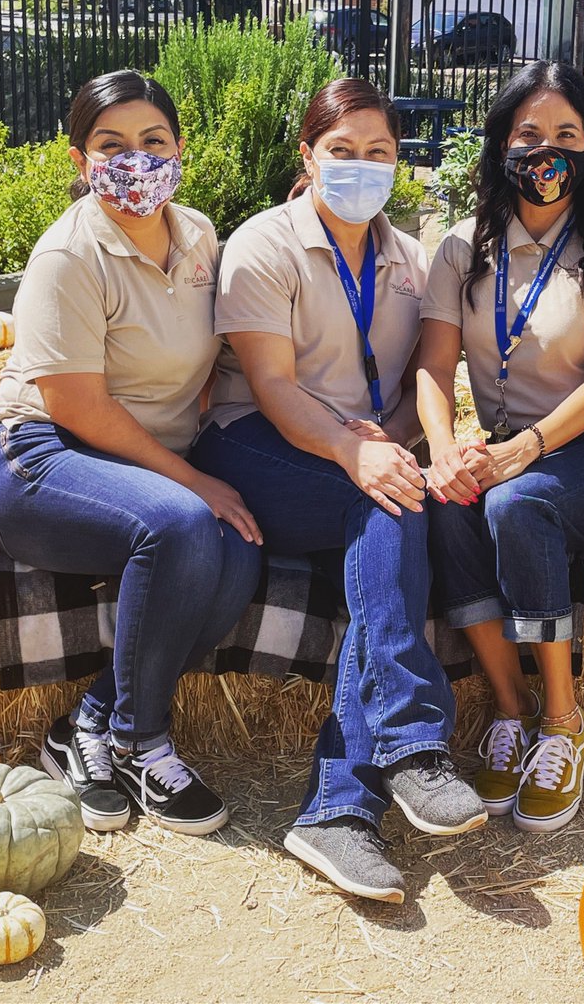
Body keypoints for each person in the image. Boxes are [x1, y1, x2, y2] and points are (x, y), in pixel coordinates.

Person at [192, 78, 485, 905]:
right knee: (384, 499)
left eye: (380, 153)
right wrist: (358, 455)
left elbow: (432, 371)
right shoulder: (265, 245)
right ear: (308, 157)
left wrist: (429, 448)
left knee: (390, 522)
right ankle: (412, 741)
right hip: (264, 442)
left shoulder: (409, 260)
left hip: (367, 453)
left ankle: (338, 812)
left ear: (401, 163)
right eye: (342, 151)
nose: (362, 166)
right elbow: (276, 390)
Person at [0, 70, 263, 836]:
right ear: (80, 160)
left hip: (141, 463)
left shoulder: (199, 237)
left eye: (152, 142)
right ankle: (139, 741)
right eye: (112, 145)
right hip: (40, 457)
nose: (135, 161)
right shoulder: (68, 257)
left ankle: (86, 725)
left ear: (179, 151)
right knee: (183, 523)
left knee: (236, 550)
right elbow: (79, 407)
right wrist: (195, 479)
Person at [418, 61, 584, 833]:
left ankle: (564, 722)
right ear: (499, 147)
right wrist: (445, 447)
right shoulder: (461, 248)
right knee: (448, 501)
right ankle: (511, 709)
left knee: (518, 503)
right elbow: (431, 366)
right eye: (528, 135)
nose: (545, 152)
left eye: (566, 135)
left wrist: (523, 450)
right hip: (504, 443)